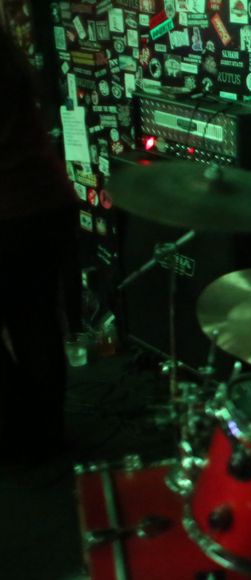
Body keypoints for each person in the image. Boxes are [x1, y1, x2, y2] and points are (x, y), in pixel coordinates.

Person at [0, 25, 79, 465]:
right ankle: (47, 436)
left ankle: (18, 436)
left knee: (33, 323)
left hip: (10, 211)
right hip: (44, 205)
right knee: (37, 323)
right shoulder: (8, 61)